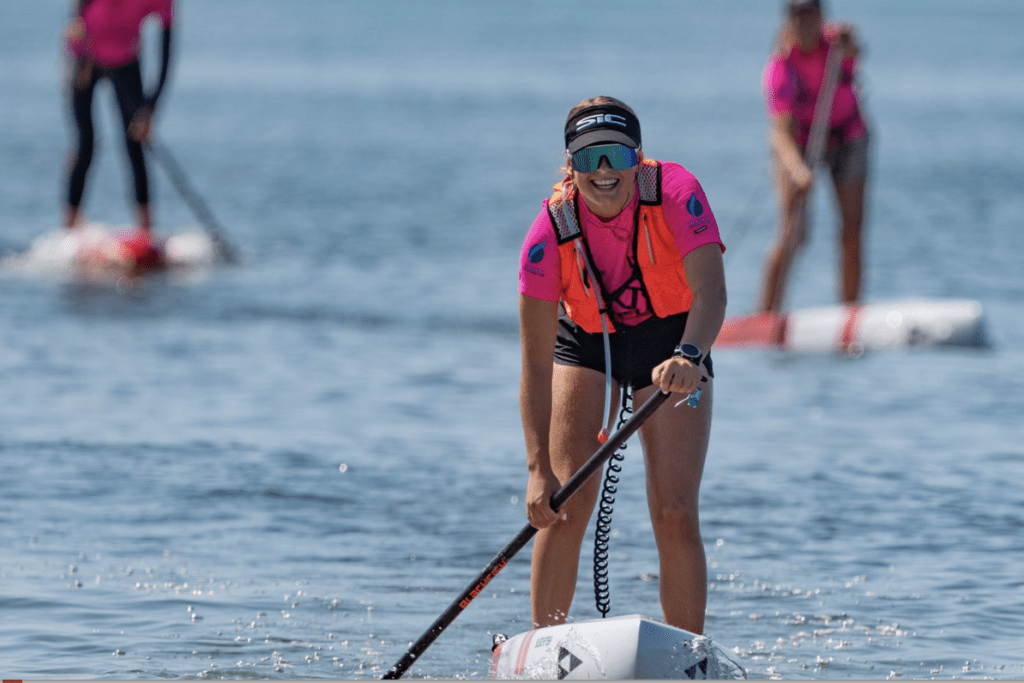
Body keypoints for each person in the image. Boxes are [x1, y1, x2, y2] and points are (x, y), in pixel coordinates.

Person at [518, 96, 727, 634]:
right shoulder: (548, 234)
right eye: (589, 159)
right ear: (571, 167)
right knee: (563, 504)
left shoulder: (677, 193)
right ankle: (548, 648)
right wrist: (537, 469)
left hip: (674, 342)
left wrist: (690, 354)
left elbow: (712, 294)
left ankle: (685, 654)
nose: (604, 171)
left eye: (615, 155)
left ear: (637, 157)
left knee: (674, 512)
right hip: (588, 344)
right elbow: (536, 365)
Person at [758, 0, 869, 313]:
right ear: (789, 19)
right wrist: (798, 172)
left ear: (821, 15)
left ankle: (851, 313)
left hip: (848, 137)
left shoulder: (835, 44)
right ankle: (766, 315)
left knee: (851, 232)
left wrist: (850, 41)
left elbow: (856, 52)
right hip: (800, 144)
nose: (806, 19)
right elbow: (780, 134)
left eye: (812, 11)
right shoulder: (781, 67)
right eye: (798, 13)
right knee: (794, 234)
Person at [63, 0, 174, 254]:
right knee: (86, 144)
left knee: (135, 143)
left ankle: (145, 230)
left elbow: (167, 50)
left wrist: (150, 108)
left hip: (126, 61)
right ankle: (68, 228)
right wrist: (75, 23)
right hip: (86, 57)